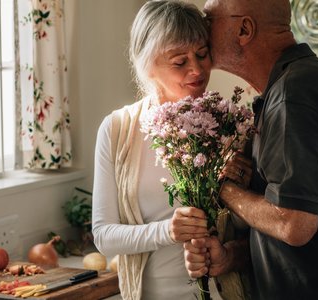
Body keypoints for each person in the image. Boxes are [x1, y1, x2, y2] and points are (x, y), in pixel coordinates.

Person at [183, 0, 318, 299]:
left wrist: (224, 189)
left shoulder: (293, 95)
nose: (202, 29)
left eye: (209, 18)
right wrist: (231, 256)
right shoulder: (292, 86)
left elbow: (294, 224)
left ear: (244, 29)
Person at [92, 1, 218, 299]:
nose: (197, 69)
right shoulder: (118, 130)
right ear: (147, 65)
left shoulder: (226, 126)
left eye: (202, 54)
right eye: (179, 62)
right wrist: (167, 232)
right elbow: (104, 236)